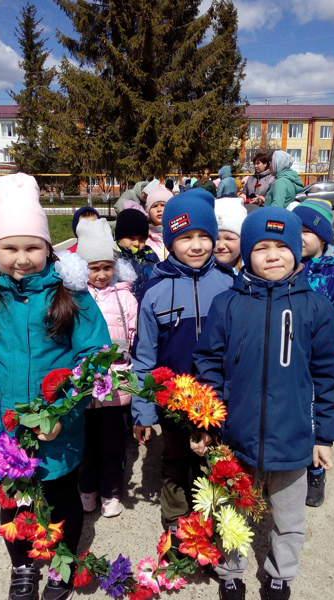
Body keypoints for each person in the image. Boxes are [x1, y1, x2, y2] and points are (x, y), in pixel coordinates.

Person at [0, 173, 111, 600]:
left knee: (61, 499)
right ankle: (22, 566)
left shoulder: (70, 294)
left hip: (57, 428)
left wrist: (61, 415)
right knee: (11, 503)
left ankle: (61, 564)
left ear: (48, 247)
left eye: (32, 247)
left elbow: (93, 360)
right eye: (10, 248)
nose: (22, 258)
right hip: (1, 429)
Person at [191, 207, 334, 600]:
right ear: (246, 253)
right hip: (236, 436)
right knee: (233, 511)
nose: (272, 255)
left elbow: (330, 375)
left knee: (289, 518)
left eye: (281, 246)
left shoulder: (315, 307)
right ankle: (230, 572)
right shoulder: (228, 304)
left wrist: (323, 435)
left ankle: (280, 575)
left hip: (292, 439)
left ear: (297, 251)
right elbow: (207, 360)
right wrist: (209, 422)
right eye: (261, 247)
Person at [131, 188, 234, 534]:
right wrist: (143, 410)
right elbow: (144, 357)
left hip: (217, 398)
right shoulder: (155, 291)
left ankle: (211, 520)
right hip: (173, 401)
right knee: (176, 459)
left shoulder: (228, 284)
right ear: (170, 239)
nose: (196, 245)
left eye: (204, 236)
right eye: (185, 236)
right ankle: (176, 521)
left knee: (212, 461)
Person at [293, 198, 334, 507]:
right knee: (294, 420)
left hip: (322, 369)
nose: (300, 236)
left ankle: (316, 473)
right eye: (296, 229)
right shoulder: (286, 269)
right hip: (291, 367)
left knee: (319, 423)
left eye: (308, 230)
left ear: (323, 237)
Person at [76, 218, 138, 518]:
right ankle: (87, 487)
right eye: (94, 268)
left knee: (112, 442)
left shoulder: (125, 296)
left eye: (107, 267)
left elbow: (135, 334)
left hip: (116, 382)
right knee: (85, 443)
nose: (101, 275)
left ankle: (111, 489)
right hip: (84, 384)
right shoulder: (74, 297)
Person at [114, 208, 159, 301]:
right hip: (123, 305)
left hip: (148, 302)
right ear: (119, 237)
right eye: (131, 238)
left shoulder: (150, 254)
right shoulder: (114, 256)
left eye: (141, 238)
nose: (136, 243)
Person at [214, 197, 247, 274]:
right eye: (216, 238)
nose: (221, 246)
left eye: (229, 239)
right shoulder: (200, 274)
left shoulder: (252, 271)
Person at [145, 184, 173, 261]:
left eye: (163, 205)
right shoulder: (144, 237)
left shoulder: (177, 235)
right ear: (148, 212)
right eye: (154, 206)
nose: (159, 209)